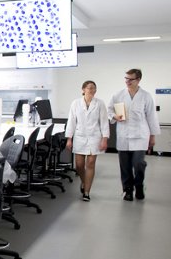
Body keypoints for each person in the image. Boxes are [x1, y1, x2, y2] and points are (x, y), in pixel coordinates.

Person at [107, 69, 161, 201]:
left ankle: (139, 185)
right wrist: (115, 116)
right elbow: (109, 109)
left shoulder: (146, 96)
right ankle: (128, 190)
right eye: (126, 78)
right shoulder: (119, 95)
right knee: (124, 166)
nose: (127, 81)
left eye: (131, 79)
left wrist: (152, 136)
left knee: (138, 163)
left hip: (140, 136)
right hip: (124, 135)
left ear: (138, 80)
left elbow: (152, 117)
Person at [65, 81, 109, 201]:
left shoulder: (100, 103)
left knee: (90, 164)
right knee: (79, 166)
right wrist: (69, 138)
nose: (93, 90)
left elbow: (104, 122)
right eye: (90, 88)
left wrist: (105, 139)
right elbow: (72, 121)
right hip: (80, 136)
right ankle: (84, 182)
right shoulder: (76, 103)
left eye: (94, 88)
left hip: (95, 137)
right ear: (83, 89)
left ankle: (87, 192)